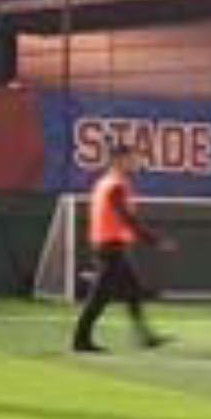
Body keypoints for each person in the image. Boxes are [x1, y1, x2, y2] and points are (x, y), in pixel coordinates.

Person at [71, 143, 170, 354]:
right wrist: (153, 240)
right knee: (99, 297)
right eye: (131, 158)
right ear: (118, 160)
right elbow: (126, 218)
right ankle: (80, 340)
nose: (135, 162)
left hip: (109, 246)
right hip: (109, 247)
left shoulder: (107, 182)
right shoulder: (115, 185)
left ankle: (145, 336)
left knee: (132, 291)